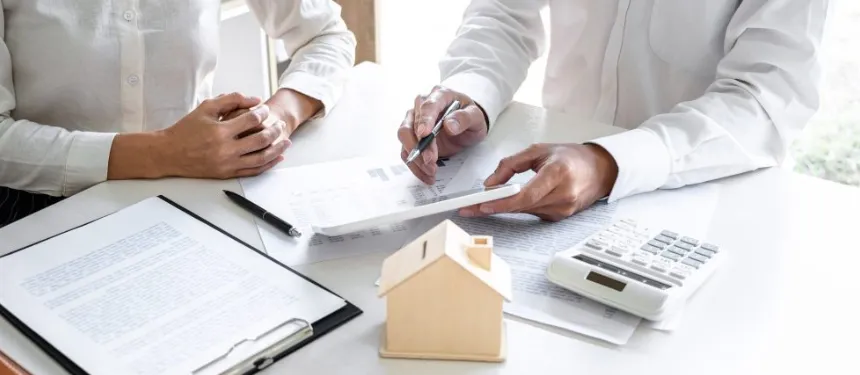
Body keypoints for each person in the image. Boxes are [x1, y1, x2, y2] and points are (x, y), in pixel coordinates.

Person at [397, 0, 829, 222]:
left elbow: (767, 94)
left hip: (710, 193)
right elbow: (504, 12)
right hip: (549, 187)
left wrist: (608, 163)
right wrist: (472, 92)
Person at [0, 1, 356, 227]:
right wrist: (164, 152)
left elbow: (325, 36)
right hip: (36, 206)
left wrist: (278, 118)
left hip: (194, 195)